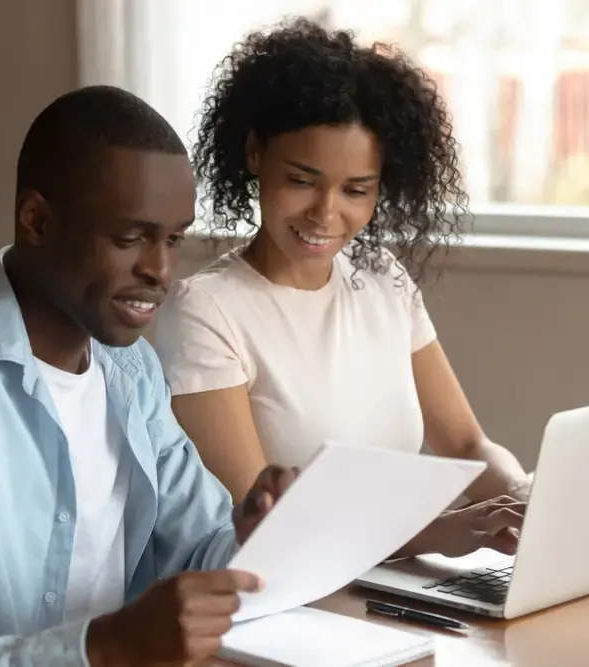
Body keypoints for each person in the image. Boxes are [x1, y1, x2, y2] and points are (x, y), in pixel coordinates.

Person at [0, 85, 298, 667]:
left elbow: (201, 546)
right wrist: (101, 648)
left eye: (173, 239)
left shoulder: (131, 370)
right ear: (37, 221)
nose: (161, 270)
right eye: (130, 239)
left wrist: (255, 534)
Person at [153, 18, 530, 561]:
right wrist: (441, 532)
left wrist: (523, 502)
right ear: (256, 154)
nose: (326, 214)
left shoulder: (382, 279)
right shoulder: (206, 311)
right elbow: (260, 526)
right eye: (302, 181)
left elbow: (469, 445)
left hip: (394, 583)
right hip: (295, 603)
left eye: (356, 190)